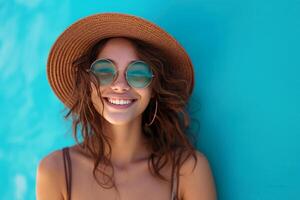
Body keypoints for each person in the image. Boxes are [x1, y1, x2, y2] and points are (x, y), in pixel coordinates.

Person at [36, 13, 216, 200]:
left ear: (154, 87)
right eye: (104, 71)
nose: (120, 85)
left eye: (138, 73)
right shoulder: (55, 171)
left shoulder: (188, 170)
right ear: (88, 83)